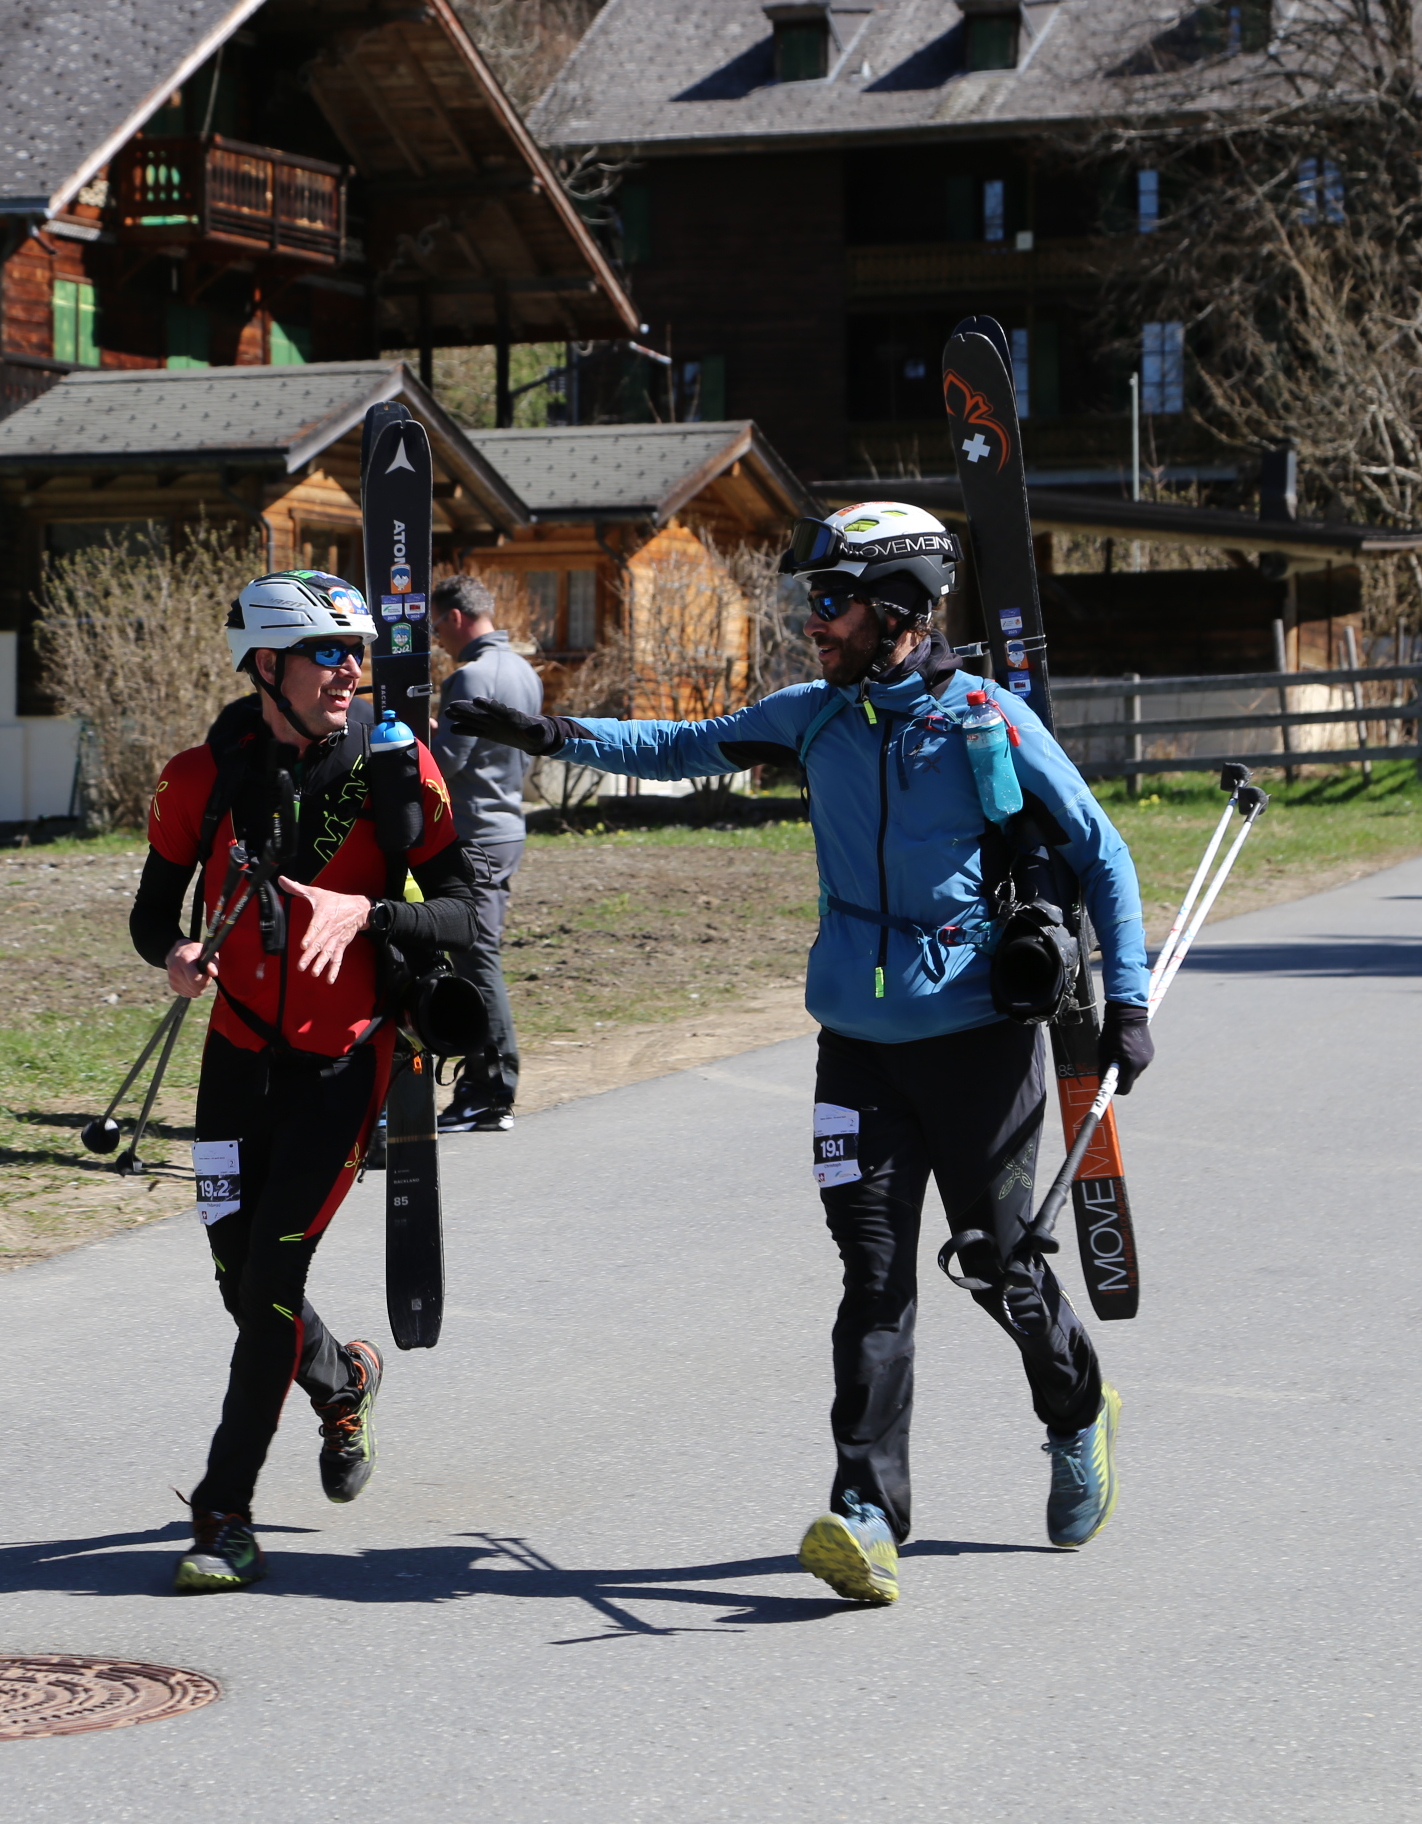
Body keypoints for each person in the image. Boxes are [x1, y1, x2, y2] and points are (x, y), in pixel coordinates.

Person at [448, 503, 1153, 1606]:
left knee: (1001, 1267)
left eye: (831, 601)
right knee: (872, 1280)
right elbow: (674, 748)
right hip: (857, 1055)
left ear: (901, 611)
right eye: (810, 601)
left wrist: (1130, 1002)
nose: (811, 621)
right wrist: (545, 735)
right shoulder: (813, 717)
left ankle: (1077, 1409)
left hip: (978, 1047)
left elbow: (1103, 855)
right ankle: (867, 1515)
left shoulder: (985, 723)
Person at [128, 569, 478, 1593]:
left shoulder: (396, 766)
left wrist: (369, 915)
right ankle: (344, 1380)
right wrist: (174, 953)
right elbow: (152, 912)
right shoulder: (202, 777)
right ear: (267, 665)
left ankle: (223, 1514)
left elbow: (465, 911)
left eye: (357, 652)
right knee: (238, 1280)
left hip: (345, 1060)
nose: (351, 671)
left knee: (272, 1282)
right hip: (234, 1056)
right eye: (329, 653)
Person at [428, 573, 545, 1133]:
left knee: (476, 959)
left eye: (436, 626)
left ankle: (490, 1093)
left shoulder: (469, 676)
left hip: (474, 832)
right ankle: (487, 1089)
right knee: (475, 955)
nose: (437, 638)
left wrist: (413, 744)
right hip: (507, 825)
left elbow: (447, 763)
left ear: (455, 617)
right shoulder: (524, 671)